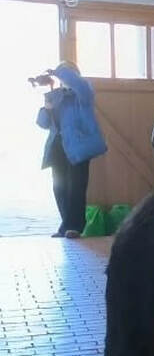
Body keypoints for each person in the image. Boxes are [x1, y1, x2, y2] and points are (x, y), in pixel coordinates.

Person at [34, 61, 107, 238]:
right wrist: (46, 109)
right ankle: (66, 225)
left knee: (76, 186)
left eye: (69, 73)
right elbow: (43, 123)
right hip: (57, 146)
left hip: (78, 146)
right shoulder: (56, 96)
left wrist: (58, 71)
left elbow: (78, 84)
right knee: (59, 187)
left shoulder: (83, 93)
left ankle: (74, 226)